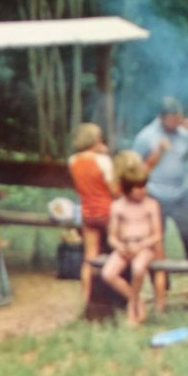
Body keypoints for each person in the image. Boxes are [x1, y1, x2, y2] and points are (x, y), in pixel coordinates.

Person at [132, 97, 188, 293]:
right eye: (173, 118)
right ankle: (162, 287)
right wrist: (156, 154)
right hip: (154, 195)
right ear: (162, 118)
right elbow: (133, 170)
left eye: (180, 118)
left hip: (181, 195)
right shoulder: (146, 136)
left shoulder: (184, 134)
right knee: (154, 243)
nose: (177, 122)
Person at [100, 160, 163, 326]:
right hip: (125, 246)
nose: (144, 190)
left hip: (145, 247)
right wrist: (119, 246)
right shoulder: (117, 206)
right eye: (139, 187)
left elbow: (157, 235)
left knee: (138, 268)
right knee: (108, 274)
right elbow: (111, 237)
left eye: (145, 186)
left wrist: (140, 246)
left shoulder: (151, 205)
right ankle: (136, 299)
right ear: (128, 189)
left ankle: (132, 307)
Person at [66, 122, 118, 308]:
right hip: (108, 212)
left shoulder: (72, 161)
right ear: (95, 140)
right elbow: (114, 190)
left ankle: (86, 300)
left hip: (87, 212)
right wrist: (106, 156)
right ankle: (116, 298)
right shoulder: (103, 161)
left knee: (89, 258)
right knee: (117, 254)